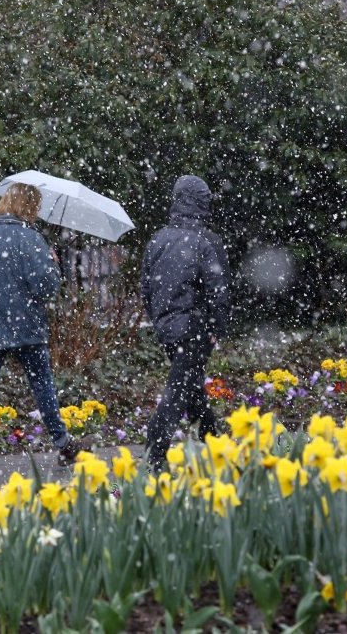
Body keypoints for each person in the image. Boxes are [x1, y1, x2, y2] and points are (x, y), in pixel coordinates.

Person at [0, 182, 84, 473]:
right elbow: (46, 288)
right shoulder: (32, 240)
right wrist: (53, 263)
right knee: (42, 385)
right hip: (26, 326)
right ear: (28, 207)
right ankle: (63, 444)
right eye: (36, 206)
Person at [141, 174, 232, 471]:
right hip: (195, 327)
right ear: (202, 203)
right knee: (179, 389)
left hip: (168, 327)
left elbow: (147, 288)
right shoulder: (207, 241)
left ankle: (211, 439)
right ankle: (155, 451)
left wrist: (160, 320)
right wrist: (216, 328)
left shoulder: (157, 240)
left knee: (190, 385)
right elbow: (217, 290)